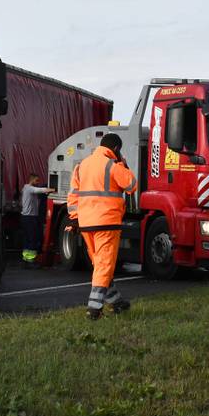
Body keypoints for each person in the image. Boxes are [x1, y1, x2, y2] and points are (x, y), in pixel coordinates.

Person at [66, 133, 138, 320]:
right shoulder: (112, 165)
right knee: (104, 265)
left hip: (86, 223)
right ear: (116, 149)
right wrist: (123, 164)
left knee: (99, 265)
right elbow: (131, 185)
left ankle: (116, 302)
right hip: (107, 222)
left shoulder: (81, 166)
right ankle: (94, 308)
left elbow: (73, 195)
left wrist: (74, 219)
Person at [20, 174, 54, 265]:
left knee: (27, 238)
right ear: (32, 180)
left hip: (27, 217)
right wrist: (52, 189)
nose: (38, 182)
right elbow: (39, 190)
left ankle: (26, 259)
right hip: (29, 217)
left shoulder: (26, 189)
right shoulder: (29, 188)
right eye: (37, 180)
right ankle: (30, 260)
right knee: (32, 238)